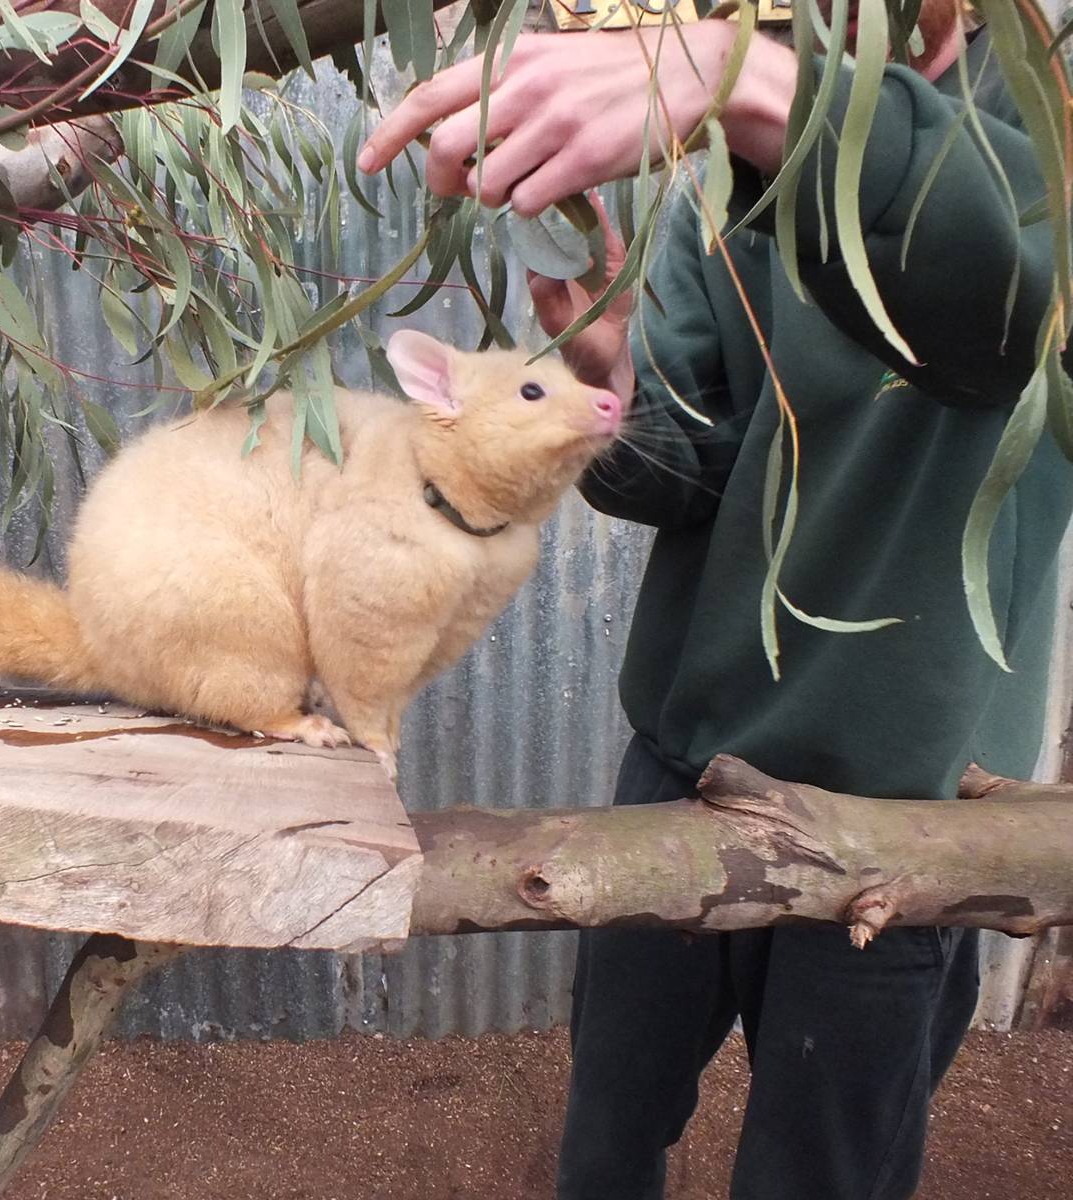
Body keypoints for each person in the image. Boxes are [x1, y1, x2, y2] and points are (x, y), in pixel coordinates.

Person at [358, 2, 1073, 1197]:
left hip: (910, 792)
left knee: (822, 1163)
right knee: (609, 1123)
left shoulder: (1038, 113)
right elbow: (684, 470)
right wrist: (604, 375)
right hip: (687, 750)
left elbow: (997, 317)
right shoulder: (737, 150)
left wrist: (746, 88)